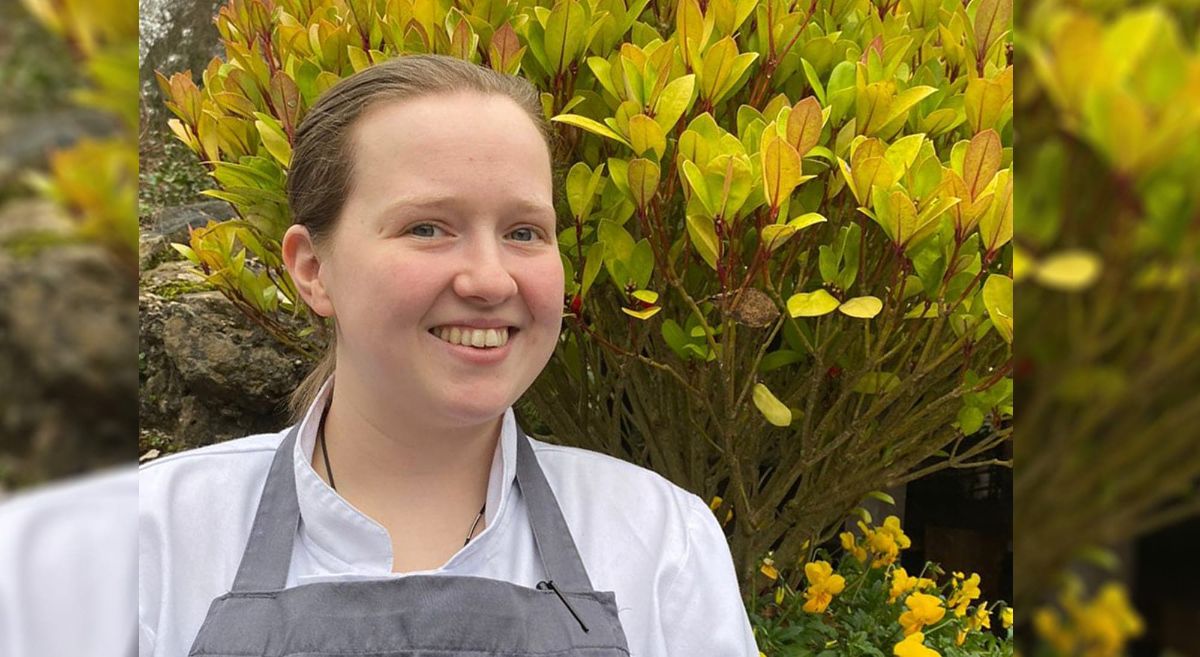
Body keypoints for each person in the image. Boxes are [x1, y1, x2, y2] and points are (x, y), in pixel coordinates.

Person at [139, 53, 758, 656]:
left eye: (524, 233)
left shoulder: (659, 540)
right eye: (428, 228)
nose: (491, 281)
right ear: (312, 269)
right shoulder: (150, 536)